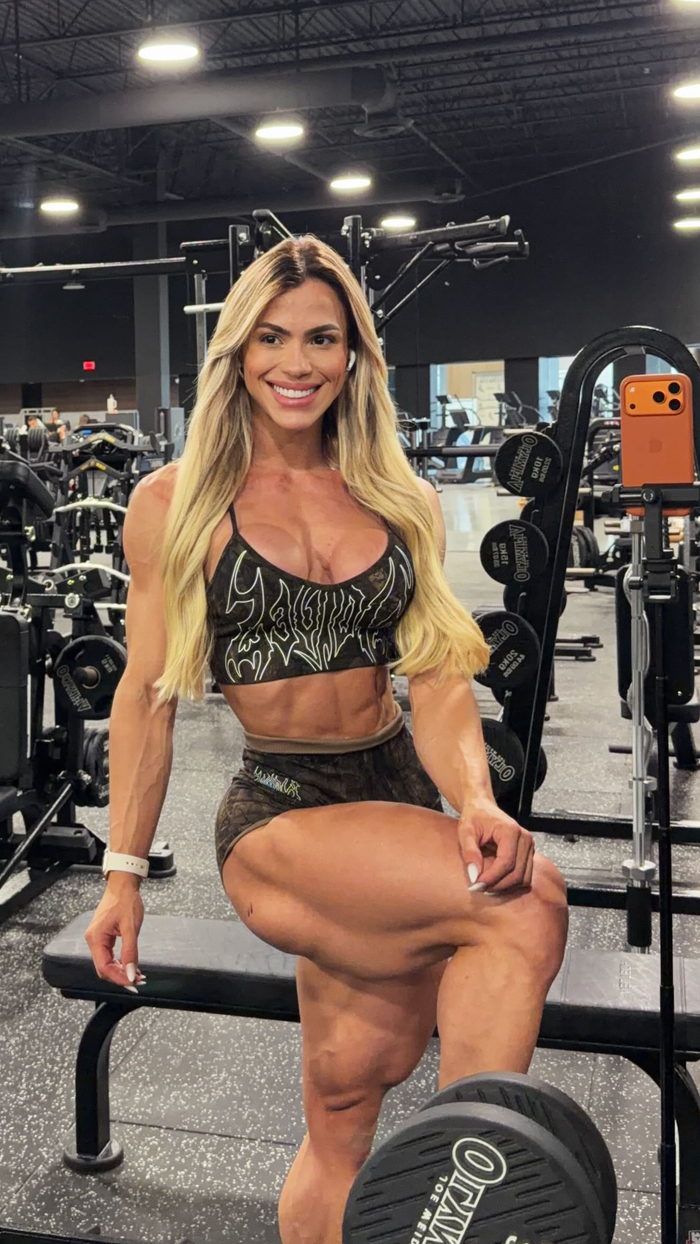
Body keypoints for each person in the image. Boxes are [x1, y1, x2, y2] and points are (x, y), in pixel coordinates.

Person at [84, 237, 568, 1243]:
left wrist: (476, 799)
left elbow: (435, 678)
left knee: (345, 1109)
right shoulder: (176, 502)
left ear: (354, 355)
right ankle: (472, 1192)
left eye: (320, 338)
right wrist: (122, 873)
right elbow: (144, 697)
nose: (295, 363)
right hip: (280, 809)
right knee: (525, 906)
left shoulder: (400, 497)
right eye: (270, 338)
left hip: (393, 792)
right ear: (237, 351)